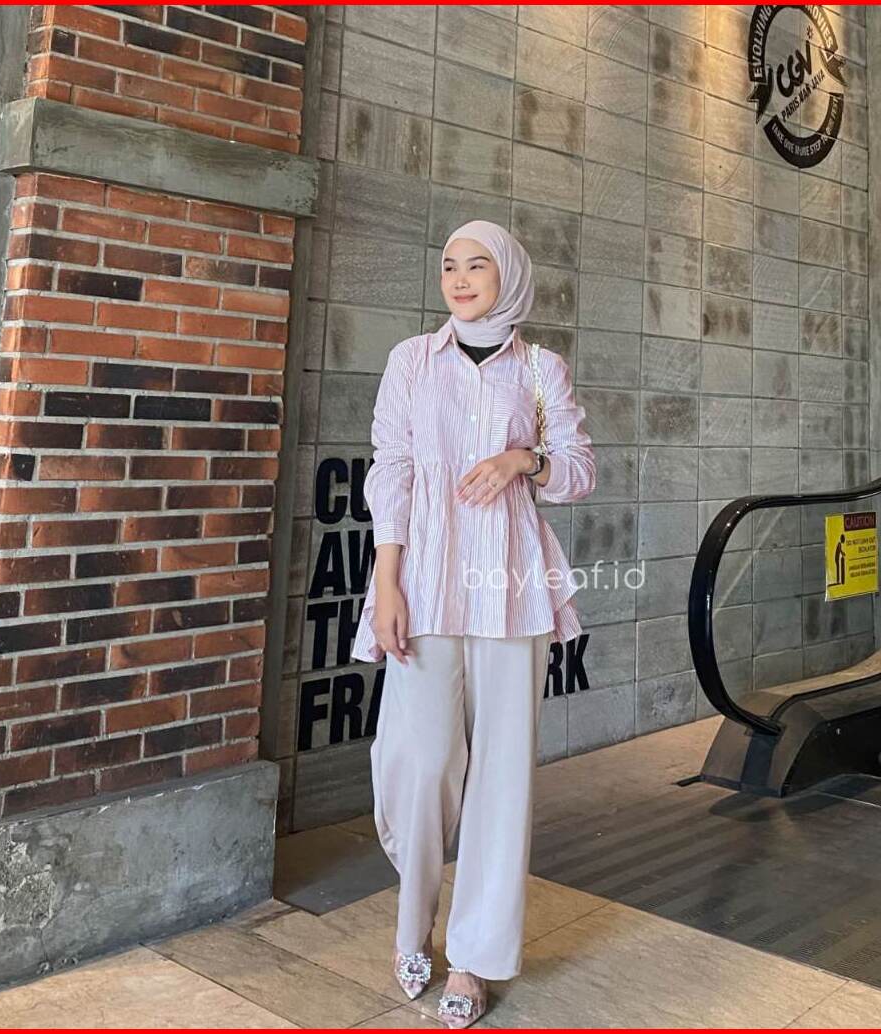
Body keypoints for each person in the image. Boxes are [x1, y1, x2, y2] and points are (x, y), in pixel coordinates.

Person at [351, 219, 596, 1027]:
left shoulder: (541, 370)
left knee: (501, 775)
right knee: (416, 763)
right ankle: (413, 920)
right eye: (449, 265)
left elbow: (579, 471)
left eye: (477, 265)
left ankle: (475, 957)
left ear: (509, 276)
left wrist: (524, 459)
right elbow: (390, 467)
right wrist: (386, 576)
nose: (459, 279)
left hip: (510, 588)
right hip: (422, 582)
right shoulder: (412, 362)